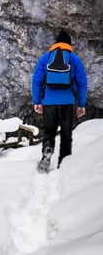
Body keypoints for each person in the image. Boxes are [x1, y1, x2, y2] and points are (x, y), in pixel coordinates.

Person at [32, 29, 87, 171]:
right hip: (67, 103)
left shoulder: (46, 57)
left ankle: (48, 148)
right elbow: (82, 83)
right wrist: (81, 105)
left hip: (49, 103)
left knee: (49, 131)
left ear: (56, 43)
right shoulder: (74, 59)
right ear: (69, 44)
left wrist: (37, 102)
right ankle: (64, 165)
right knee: (66, 134)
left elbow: (37, 81)